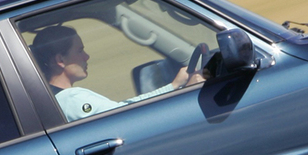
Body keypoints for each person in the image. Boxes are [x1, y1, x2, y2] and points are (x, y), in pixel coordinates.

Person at [29, 25, 204, 122]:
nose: (86, 56)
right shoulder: (71, 99)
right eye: (80, 51)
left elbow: (122, 108)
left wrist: (173, 86)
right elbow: (125, 116)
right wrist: (186, 89)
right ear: (60, 60)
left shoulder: (57, 99)